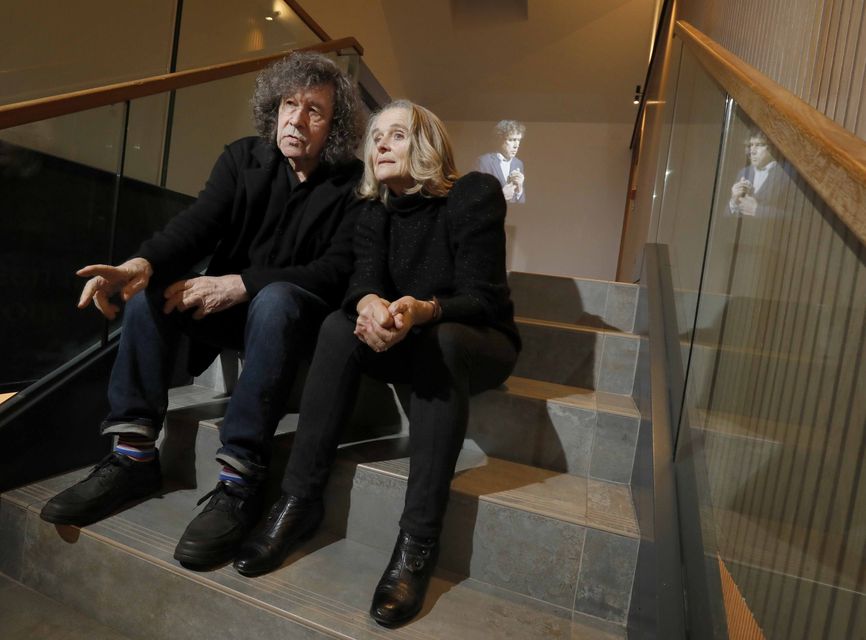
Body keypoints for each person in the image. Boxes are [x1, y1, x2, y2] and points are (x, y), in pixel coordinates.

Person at [39, 52, 365, 570]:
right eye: (288, 104)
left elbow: (337, 272)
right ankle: (132, 456)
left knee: (276, 300)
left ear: (336, 126)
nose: (296, 120)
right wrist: (142, 263)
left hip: (296, 322)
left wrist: (241, 283)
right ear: (274, 108)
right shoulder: (243, 158)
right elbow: (197, 224)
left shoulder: (353, 184)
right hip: (233, 310)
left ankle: (239, 484)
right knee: (155, 288)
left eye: (315, 111)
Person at [232, 100, 521, 626]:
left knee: (447, 339)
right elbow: (363, 277)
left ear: (427, 145)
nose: (380, 144)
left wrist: (422, 309)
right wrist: (368, 303)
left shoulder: (473, 194)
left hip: (475, 339)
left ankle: (418, 542)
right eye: (376, 137)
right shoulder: (372, 209)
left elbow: (484, 298)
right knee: (338, 326)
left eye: (397, 135)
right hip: (405, 334)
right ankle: (297, 502)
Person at [728, 130, 787, 217]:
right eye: (751, 145)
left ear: (773, 148)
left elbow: (797, 217)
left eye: (759, 145)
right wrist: (733, 201)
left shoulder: (786, 175)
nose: (752, 151)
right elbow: (724, 216)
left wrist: (757, 210)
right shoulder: (743, 172)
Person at [476, 119, 526, 203]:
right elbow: (476, 199)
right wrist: (500, 195)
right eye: (511, 140)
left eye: (518, 140)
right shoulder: (484, 162)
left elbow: (522, 203)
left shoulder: (518, 163)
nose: (516, 145)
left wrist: (519, 189)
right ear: (499, 139)